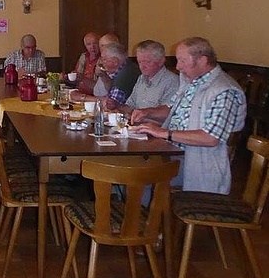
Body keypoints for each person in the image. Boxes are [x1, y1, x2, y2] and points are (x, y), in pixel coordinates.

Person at [133, 37, 247, 194]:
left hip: (198, 162)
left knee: (138, 174)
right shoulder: (191, 82)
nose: (178, 67)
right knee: (130, 164)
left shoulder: (224, 90)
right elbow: (170, 110)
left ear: (202, 60)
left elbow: (210, 138)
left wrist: (164, 133)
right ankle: (141, 215)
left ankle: (145, 217)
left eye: (182, 61)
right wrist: (147, 113)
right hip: (173, 152)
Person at [117, 40, 179, 115]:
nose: (142, 66)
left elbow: (166, 115)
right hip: (137, 125)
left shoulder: (172, 82)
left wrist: (144, 114)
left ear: (161, 61)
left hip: (155, 126)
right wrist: (116, 106)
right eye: (139, 62)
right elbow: (130, 106)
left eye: (147, 62)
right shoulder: (141, 78)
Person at [74, 42, 140, 109]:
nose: (101, 62)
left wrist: (82, 97)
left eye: (104, 59)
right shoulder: (122, 69)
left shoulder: (125, 74)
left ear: (115, 62)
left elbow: (110, 105)